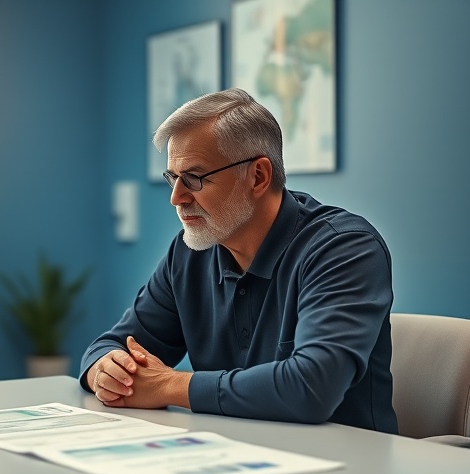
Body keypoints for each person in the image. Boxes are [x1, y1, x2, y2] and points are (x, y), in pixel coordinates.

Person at [81, 88, 398, 433]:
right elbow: (112, 344)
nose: (176, 198)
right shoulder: (190, 251)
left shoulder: (344, 249)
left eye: (195, 178)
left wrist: (168, 385)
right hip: (232, 458)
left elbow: (311, 388)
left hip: (347, 472)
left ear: (258, 177)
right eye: (173, 178)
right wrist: (108, 370)